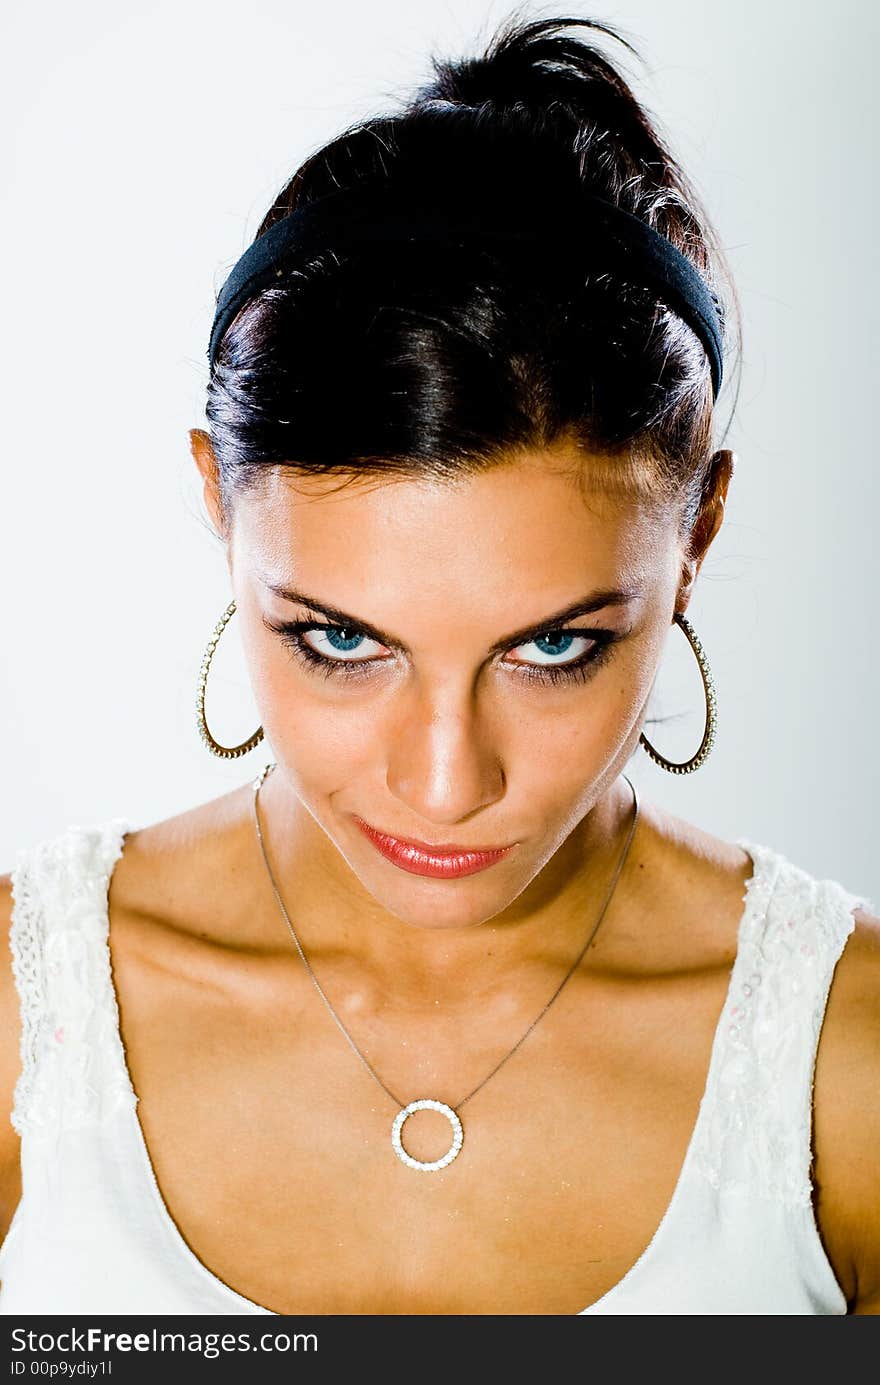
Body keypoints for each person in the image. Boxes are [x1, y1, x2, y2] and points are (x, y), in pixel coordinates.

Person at [0, 13, 877, 1317]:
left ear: (697, 533)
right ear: (218, 507)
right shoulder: (21, 1022)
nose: (446, 781)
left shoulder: (848, 1074)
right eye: (341, 640)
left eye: (555, 647)